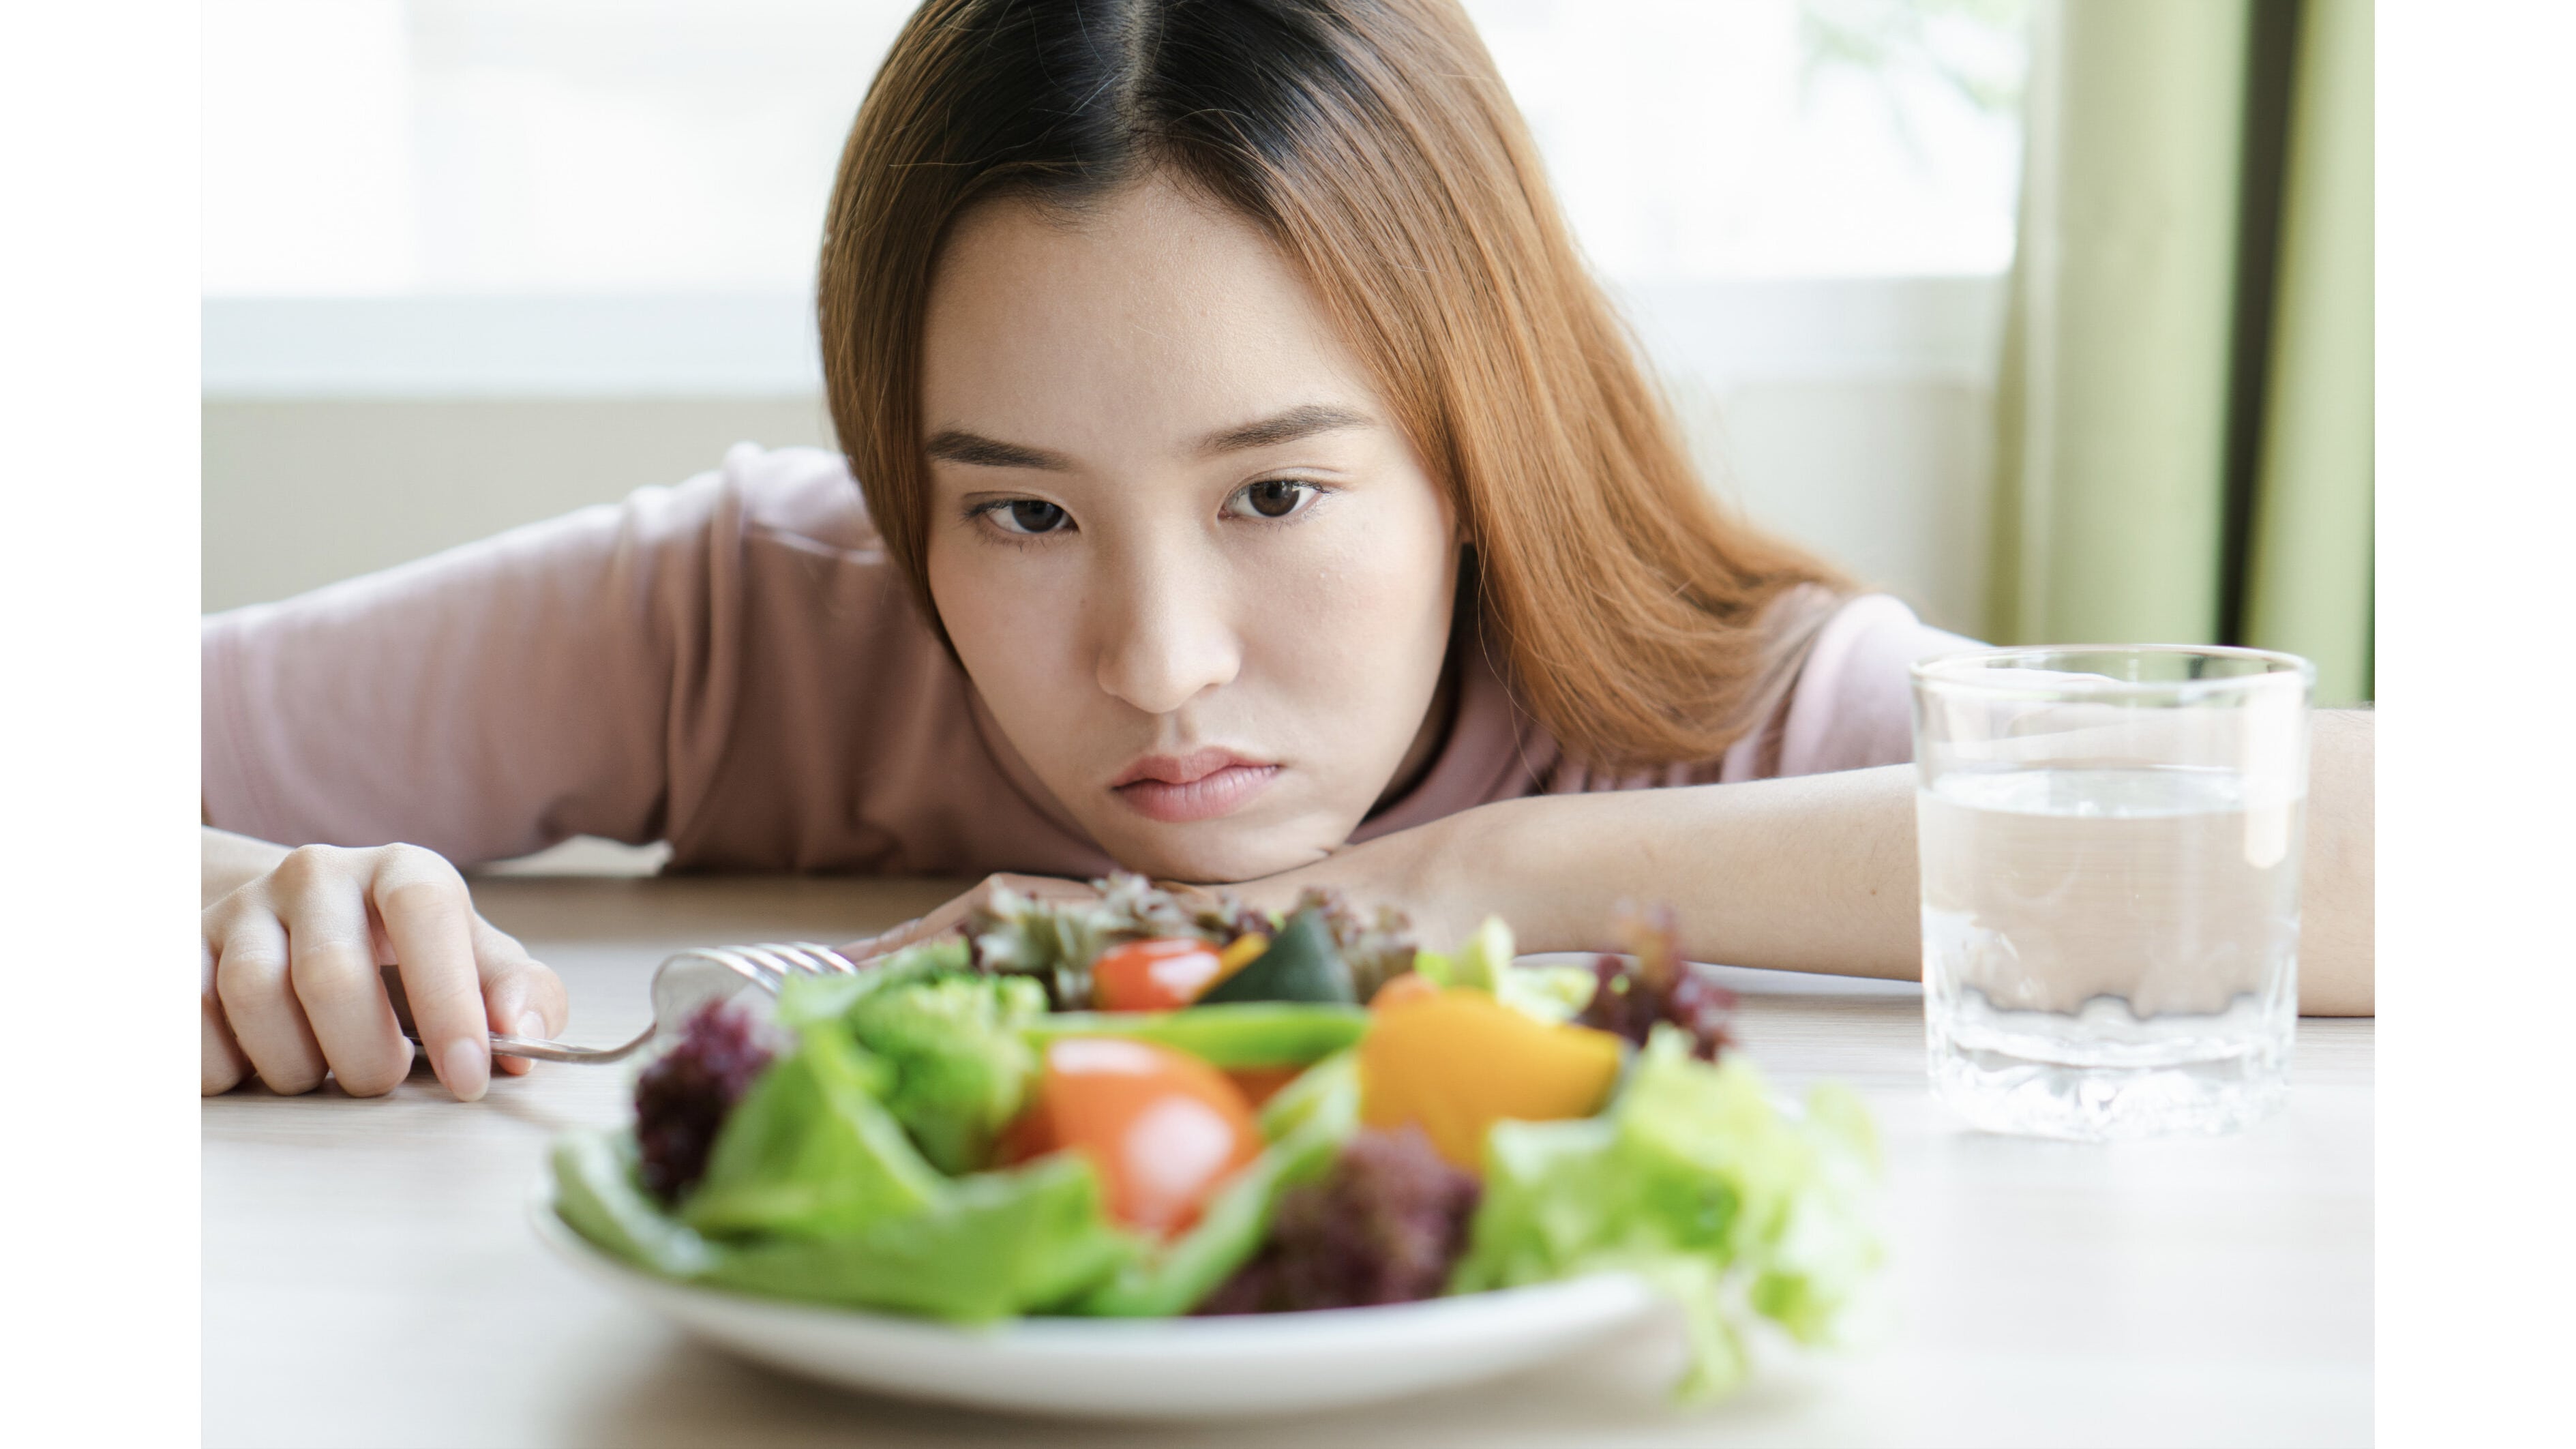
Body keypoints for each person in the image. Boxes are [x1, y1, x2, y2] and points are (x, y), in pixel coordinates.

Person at [199, 0, 2375, 1103]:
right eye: (1021, 512)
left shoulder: (1707, 700)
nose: (1158, 662)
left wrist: (1464, 883)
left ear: (1473, 444)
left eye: (1272, 495)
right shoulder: (761, 606)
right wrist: (214, 898)